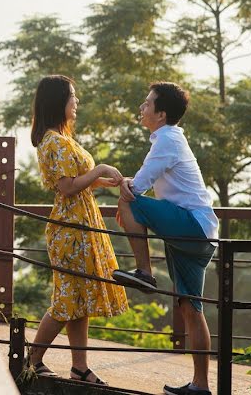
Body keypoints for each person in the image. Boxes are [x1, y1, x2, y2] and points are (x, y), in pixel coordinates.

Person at [113, 82, 219, 395]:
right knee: (190, 307)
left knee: (127, 201)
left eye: (147, 104)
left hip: (191, 227)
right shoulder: (170, 138)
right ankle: (201, 386)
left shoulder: (167, 141)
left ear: (160, 114)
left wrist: (126, 186)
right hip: (199, 232)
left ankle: (144, 272)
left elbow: (136, 189)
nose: (142, 108)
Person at [28, 75, 128, 385]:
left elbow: (77, 181)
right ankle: (29, 361)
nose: (77, 102)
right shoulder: (54, 141)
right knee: (67, 300)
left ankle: (79, 367)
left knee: (80, 298)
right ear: (59, 101)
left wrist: (102, 181)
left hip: (81, 225)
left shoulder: (61, 138)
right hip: (70, 228)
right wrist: (98, 170)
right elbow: (67, 187)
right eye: (72, 96)